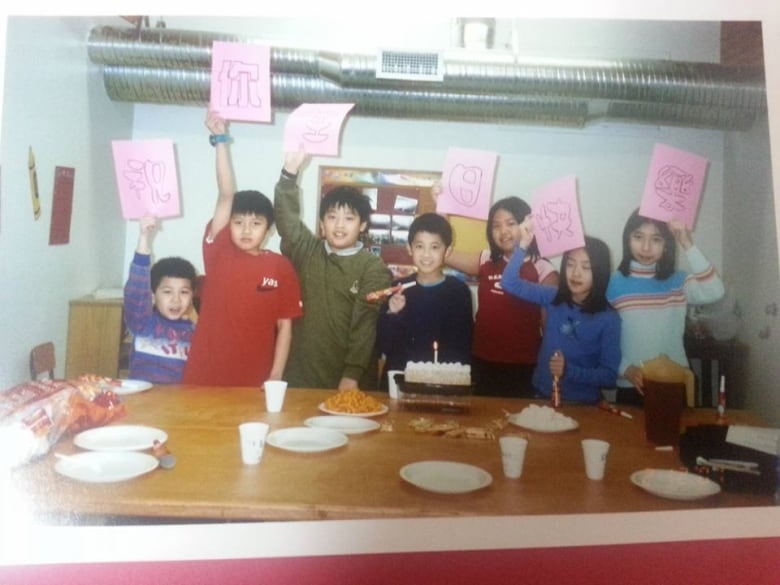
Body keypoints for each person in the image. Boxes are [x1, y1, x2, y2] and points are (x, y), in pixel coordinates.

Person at [182, 112, 303, 386]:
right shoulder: (219, 251)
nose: (246, 230)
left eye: (256, 223)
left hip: (255, 380)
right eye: (238, 222)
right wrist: (220, 139)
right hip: (204, 376)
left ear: (268, 229)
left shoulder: (281, 266)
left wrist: (275, 375)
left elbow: (285, 326)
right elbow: (226, 193)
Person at [274, 149, 391, 390]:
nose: (339, 225)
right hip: (301, 379)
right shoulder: (307, 250)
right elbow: (287, 222)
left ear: (363, 225)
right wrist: (289, 174)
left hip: (348, 382)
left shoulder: (373, 267)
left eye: (349, 218)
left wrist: (352, 374)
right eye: (332, 217)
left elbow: (365, 323)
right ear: (322, 223)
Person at [606, 209, 724, 405]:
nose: (645, 247)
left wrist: (687, 243)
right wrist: (625, 368)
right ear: (627, 239)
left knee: (675, 436)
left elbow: (715, 291)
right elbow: (606, 339)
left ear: (667, 245)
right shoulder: (613, 283)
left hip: (674, 382)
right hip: (631, 384)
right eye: (638, 237)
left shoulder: (678, 281)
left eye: (656, 239)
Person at [445, 196, 559, 397]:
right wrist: (442, 208)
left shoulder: (543, 269)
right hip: (482, 359)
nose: (503, 231)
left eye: (511, 223)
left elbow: (550, 329)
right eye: (496, 226)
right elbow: (445, 253)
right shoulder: (486, 259)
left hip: (523, 365)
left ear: (527, 226)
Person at [501, 217, 621, 404]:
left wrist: (569, 371)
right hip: (541, 396)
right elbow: (509, 283)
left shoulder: (608, 318)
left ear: (600, 272)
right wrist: (523, 244)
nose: (575, 273)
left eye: (586, 267)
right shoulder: (553, 296)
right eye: (570, 264)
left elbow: (609, 377)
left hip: (583, 406)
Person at [377, 213, 473, 389]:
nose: (426, 254)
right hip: (400, 380)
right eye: (420, 246)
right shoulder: (398, 288)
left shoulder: (458, 291)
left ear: (447, 251)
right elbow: (384, 345)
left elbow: (463, 347)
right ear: (409, 248)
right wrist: (391, 313)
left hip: (440, 383)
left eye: (435, 247)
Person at [123, 216, 197, 384]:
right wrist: (144, 237)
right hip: (143, 403)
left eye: (184, 292)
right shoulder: (143, 323)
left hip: (177, 405)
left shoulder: (193, 333)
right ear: (153, 294)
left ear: (192, 295)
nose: (176, 300)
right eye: (167, 292)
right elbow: (136, 290)